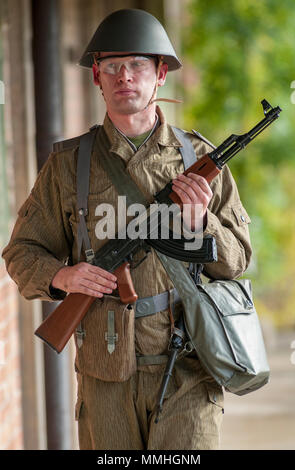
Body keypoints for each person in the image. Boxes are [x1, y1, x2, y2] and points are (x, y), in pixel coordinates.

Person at [2, 9, 252, 450]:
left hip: (189, 367)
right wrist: (63, 277)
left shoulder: (200, 160)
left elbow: (238, 261)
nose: (125, 76)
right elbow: (22, 252)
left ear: (160, 75)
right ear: (96, 78)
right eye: (112, 66)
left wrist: (202, 222)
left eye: (137, 64)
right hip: (104, 376)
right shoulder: (68, 165)